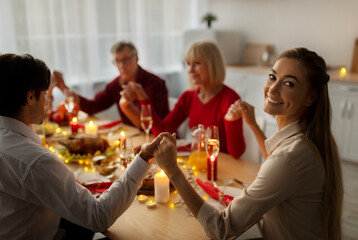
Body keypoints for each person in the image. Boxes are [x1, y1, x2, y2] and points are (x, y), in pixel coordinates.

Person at [154, 48, 343, 240]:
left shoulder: (290, 157)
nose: (273, 88)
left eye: (288, 83)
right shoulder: (304, 141)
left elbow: (220, 228)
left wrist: (173, 171)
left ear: (311, 97)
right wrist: (252, 124)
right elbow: (277, 163)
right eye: (272, 76)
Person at [0, 53, 165, 239]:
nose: (47, 102)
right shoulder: (34, 160)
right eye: (45, 94)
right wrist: (143, 158)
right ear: (30, 96)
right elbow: (98, 216)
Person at [120, 41, 246, 158]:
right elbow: (163, 131)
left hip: (220, 166)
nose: (190, 70)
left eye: (197, 63)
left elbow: (236, 153)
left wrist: (231, 121)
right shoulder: (188, 97)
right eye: (188, 64)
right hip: (198, 163)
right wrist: (144, 99)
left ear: (213, 65)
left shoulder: (230, 98)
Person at [52, 41, 169, 126]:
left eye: (126, 59)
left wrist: (126, 106)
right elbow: (93, 106)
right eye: (117, 61)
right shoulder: (117, 84)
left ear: (137, 58)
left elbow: (150, 125)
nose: (122, 65)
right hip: (133, 136)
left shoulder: (155, 84)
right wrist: (64, 88)